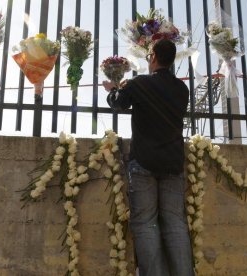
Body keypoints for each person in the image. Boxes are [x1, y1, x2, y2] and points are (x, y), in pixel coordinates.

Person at [102, 39, 194, 276]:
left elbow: (119, 103)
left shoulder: (140, 83)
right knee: (175, 224)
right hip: (173, 163)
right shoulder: (182, 89)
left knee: (145, 223)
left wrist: (114, 89)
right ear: (172, 60)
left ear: (153, 57)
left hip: (144, 161)